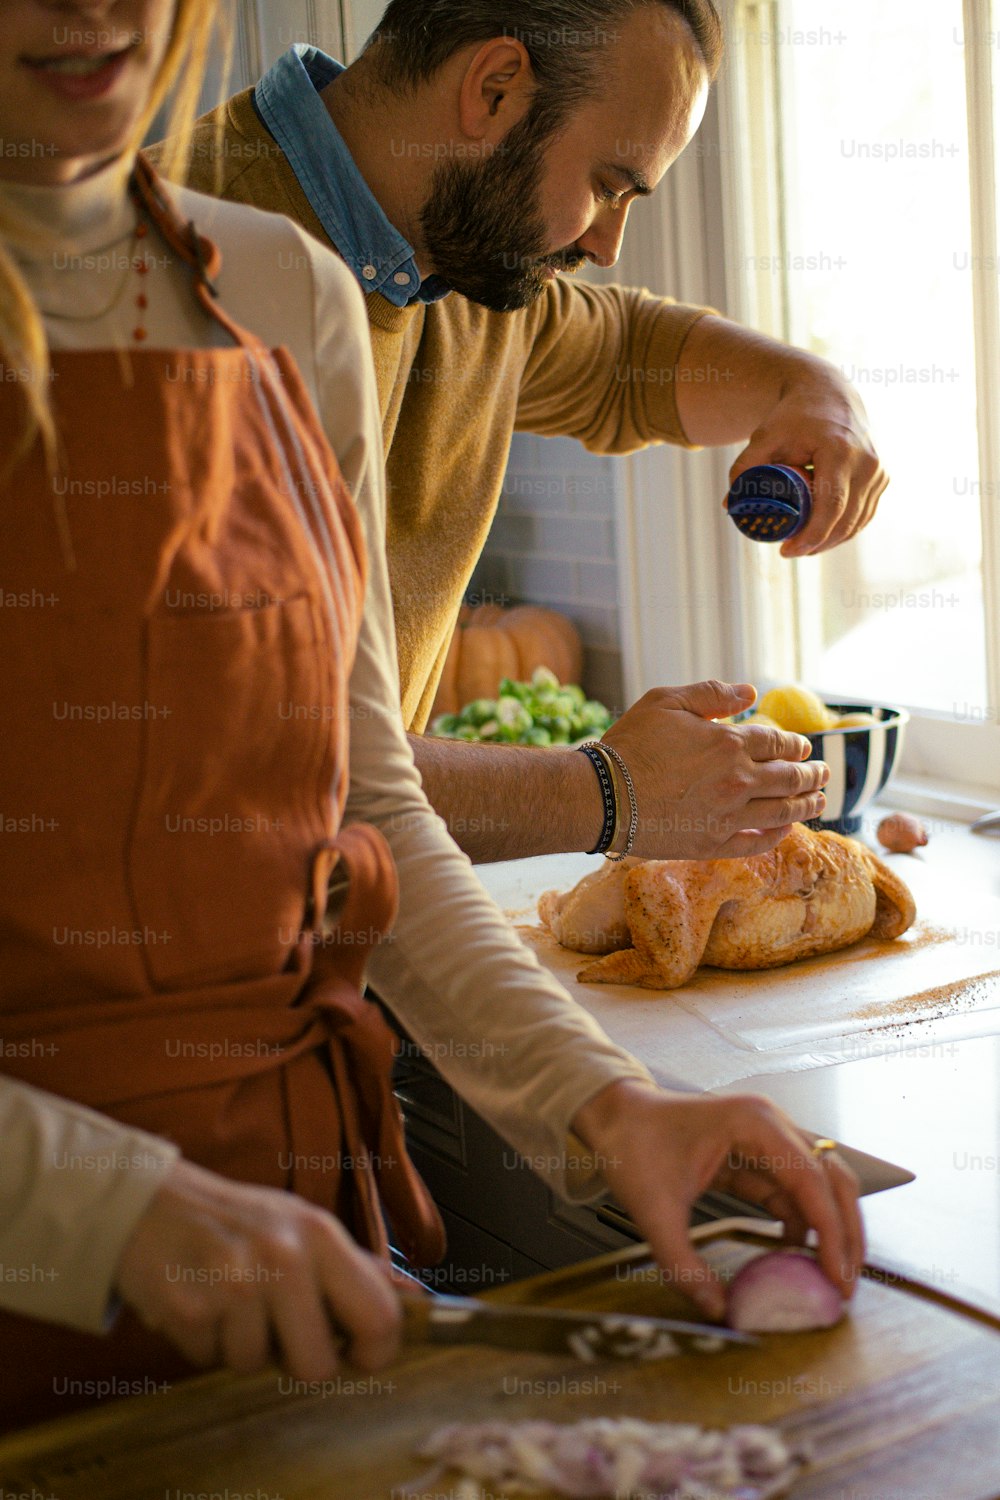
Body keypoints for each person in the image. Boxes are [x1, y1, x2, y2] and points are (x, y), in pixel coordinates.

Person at [0, 0, 862, 1432]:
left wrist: (610, 1106)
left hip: (296, 1242)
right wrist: (119, 1213)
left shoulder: (290, 291)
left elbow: (352, 794)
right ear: (492, 87)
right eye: (611, 186)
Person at [153, 0, 889, 866]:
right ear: (494, 89)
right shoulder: (174, 272)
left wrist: (815, 391)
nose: (609, 242)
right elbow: (251, 760)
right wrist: (614, 792)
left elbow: (626, 354)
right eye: (610, 186)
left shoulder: (458, 264)